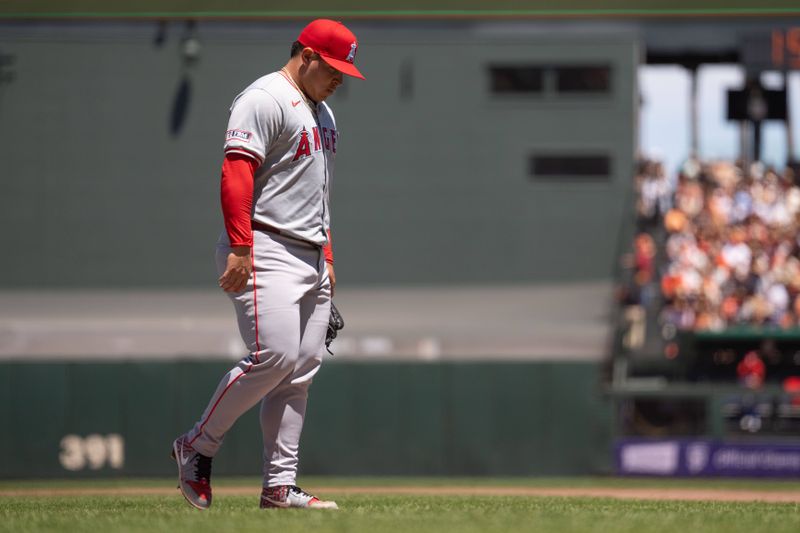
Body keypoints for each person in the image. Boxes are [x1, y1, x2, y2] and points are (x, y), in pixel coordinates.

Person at [170, 19, 365, 511]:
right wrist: (240, 246)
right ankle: (197, 445)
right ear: (307, 55)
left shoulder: (324, 113)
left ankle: (279, 486)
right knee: (274, 357)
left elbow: (317, 193)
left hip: (310, 251)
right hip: (265, 245)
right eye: (334, 66)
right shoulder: (265, 97)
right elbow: (236, 171)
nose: (340, 77)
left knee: (300, 370)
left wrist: (328, 255)